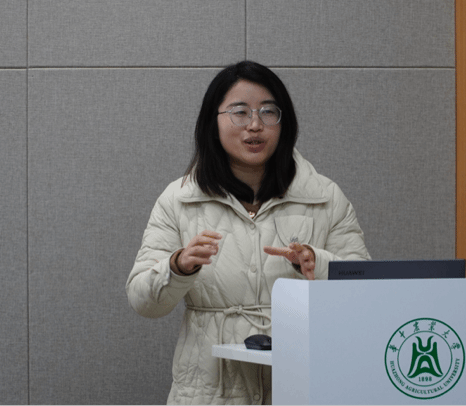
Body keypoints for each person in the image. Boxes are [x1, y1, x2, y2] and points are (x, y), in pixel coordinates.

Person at [126, 60, 371, 405]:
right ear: (213, 121)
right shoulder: (180, 200)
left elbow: (365, 294)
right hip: (209, 392)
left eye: (268, 112)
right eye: (239, 112)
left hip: (303, 385)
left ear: (285, 122)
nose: (255, 125)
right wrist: (178, 266)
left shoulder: (324, 197)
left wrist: (317, 263)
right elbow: (142, 301)